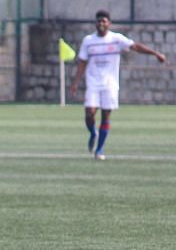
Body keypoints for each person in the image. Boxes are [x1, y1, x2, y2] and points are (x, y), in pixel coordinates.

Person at [70, 9, 166, 161]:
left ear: (109, 23)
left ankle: (99, 149)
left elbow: (136, 47)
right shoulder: (88, 41)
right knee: (89, 112)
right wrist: (75, 83)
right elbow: (82, 63)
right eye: (99, 21)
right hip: (93, 82)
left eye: (104, 21)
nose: (101, 23)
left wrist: (156, 54)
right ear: (95, 23)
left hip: (110, 84)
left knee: (106, 116)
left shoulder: (116, 39)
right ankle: (93, 133)